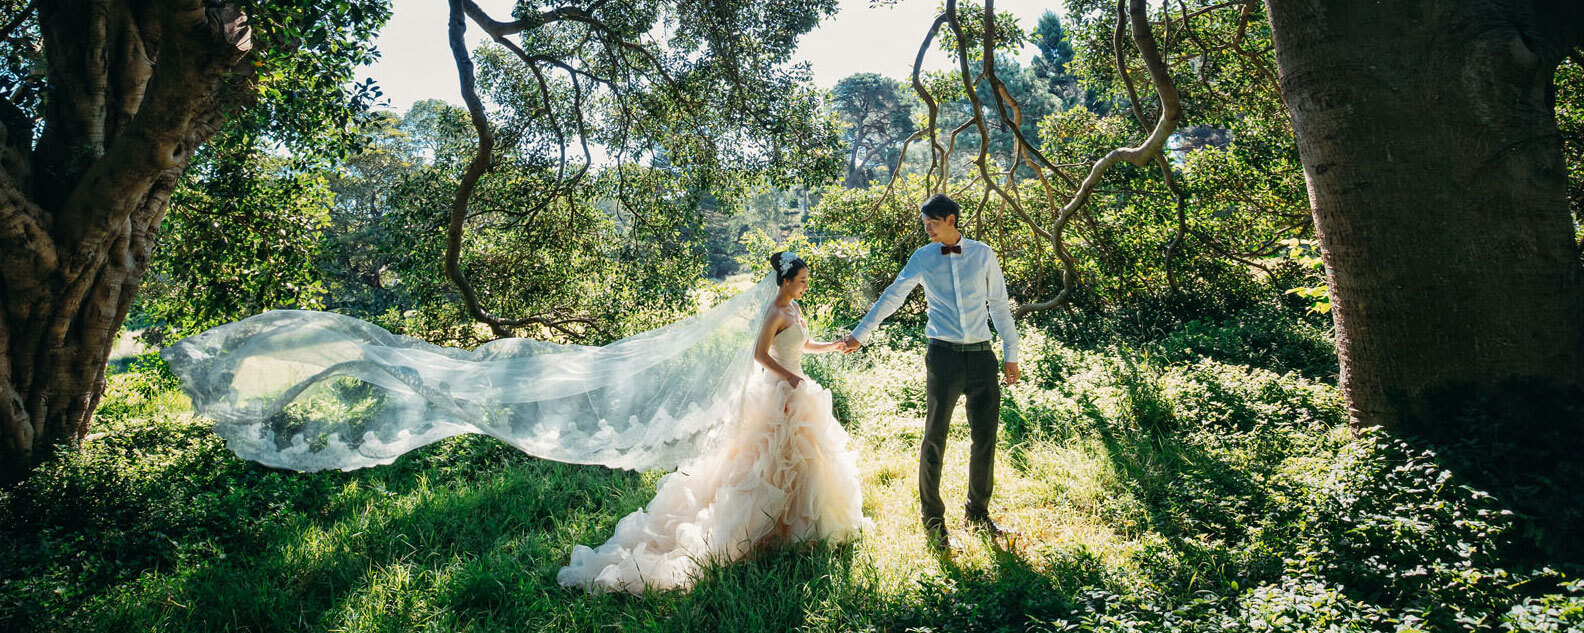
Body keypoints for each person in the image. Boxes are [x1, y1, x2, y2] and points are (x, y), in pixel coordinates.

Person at [557, 252, 870, 593]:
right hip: (778, 392)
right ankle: (757, 531)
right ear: (785, 282)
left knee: (804, 460)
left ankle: (795, 531)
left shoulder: (794, 308)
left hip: (798, 391)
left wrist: (833, 346)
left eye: (806, 281)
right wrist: (789, 379)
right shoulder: (774, 312)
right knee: (767, 463)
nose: (806, 286)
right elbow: (760, 355)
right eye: (802, 281)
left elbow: (803, 344)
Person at [839, 193, 1019, 551]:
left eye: (932, 224)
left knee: (985, 440)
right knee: (934, 437)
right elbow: (893, 295)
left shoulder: (983, 254)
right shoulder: (922, 258)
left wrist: (1010, 353)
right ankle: (933, 521)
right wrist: (861, 333)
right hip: (943, 358)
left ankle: (978, 513)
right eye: (925, 225)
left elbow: (998, 304)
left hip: (983, 358)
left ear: (951, 219)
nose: (927, 231)